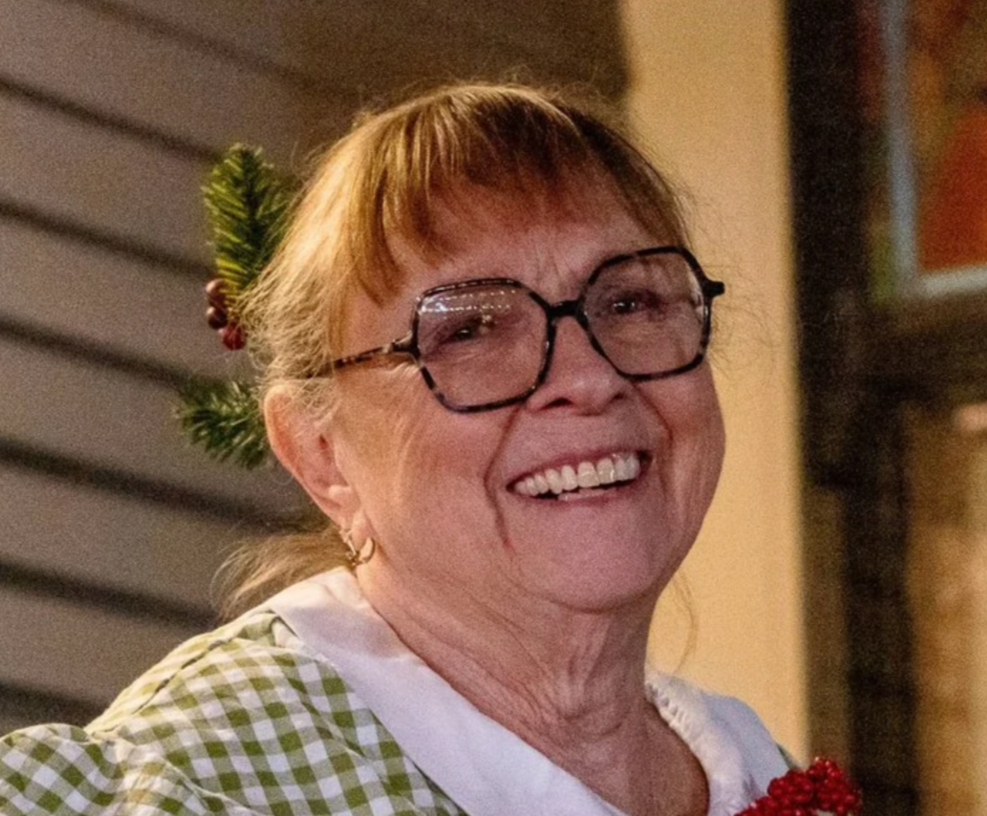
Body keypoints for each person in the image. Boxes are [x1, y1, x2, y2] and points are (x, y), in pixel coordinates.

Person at [0, 83, 790, 816]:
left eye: (629, 300)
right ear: (320, 454)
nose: (587, 377)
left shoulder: (751, 768)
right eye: (467, 328)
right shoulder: (182, 786)